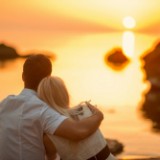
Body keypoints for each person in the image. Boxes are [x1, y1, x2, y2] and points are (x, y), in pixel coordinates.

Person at [0, 54, 104, 160]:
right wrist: (99, 115)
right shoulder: (42, 110)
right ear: (48, 78)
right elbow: (78, 131)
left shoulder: (4, 103)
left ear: (23, 76)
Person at [38, 76, 117, 160]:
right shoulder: (87, 110)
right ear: (65, 94)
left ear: (43, 100)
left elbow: (51, 158)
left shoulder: (48, 135)